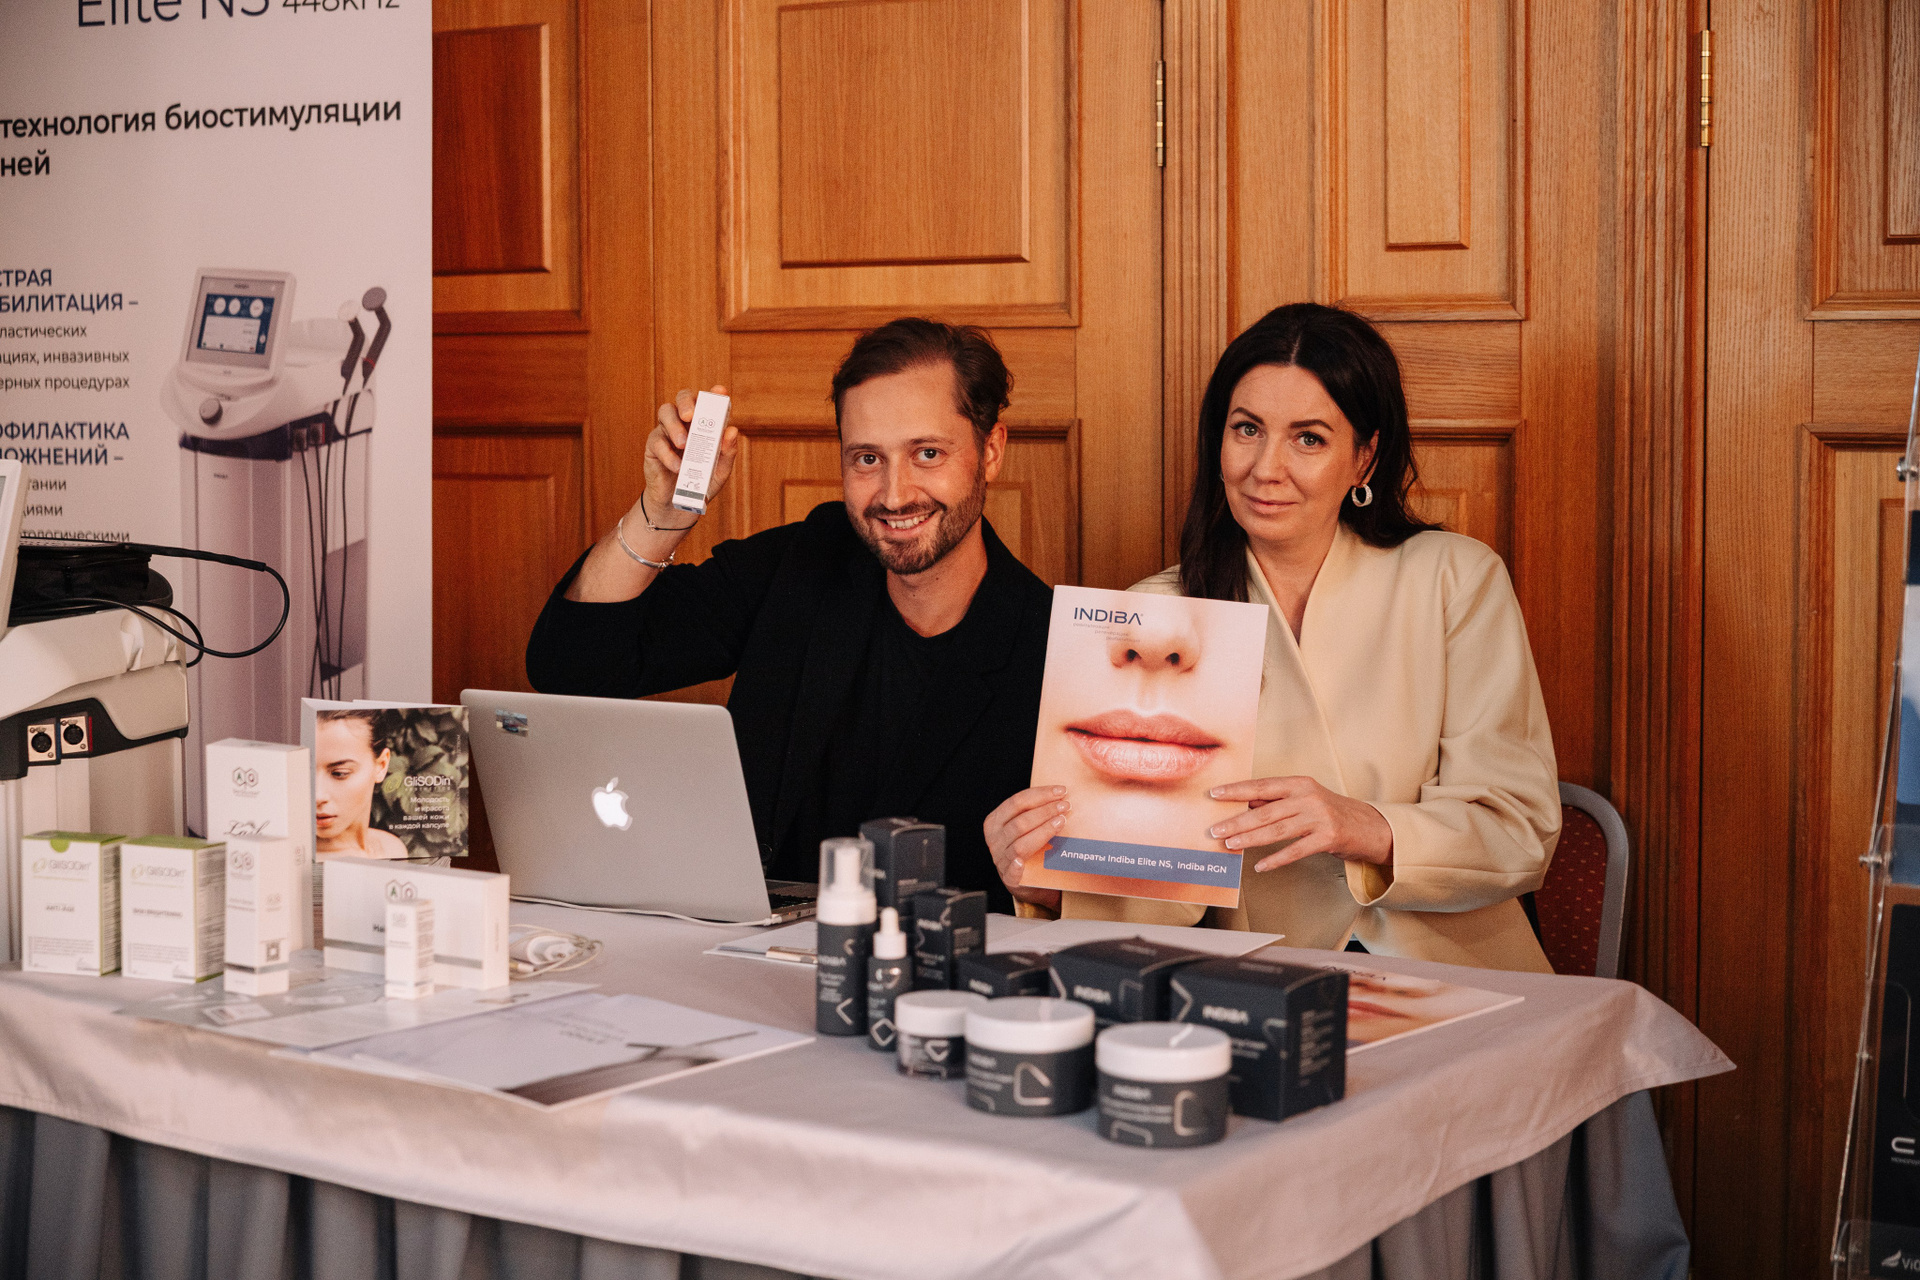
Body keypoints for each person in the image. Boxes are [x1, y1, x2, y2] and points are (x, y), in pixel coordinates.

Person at [985, 303, 1561, 972]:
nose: (1266, 467)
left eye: (1308, 438)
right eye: (1247, 429)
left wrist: (1366, 827)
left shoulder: (1455, 578)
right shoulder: (1157, 616)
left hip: (1457, 971)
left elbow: (1519, 827)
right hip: (1267, 981)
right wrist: (1051, 887)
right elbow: (1155, 883)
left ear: (1364, 458)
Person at [525, 319, 1053, 912]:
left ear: (990, 451)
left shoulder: (1050, 648)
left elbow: (1075, 885)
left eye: (927, 453)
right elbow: (572, 663)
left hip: (930, 964)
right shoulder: (804, 562)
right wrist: (665, 511)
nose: (894, 494)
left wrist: (1045, 888)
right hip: (745, 948)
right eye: (867, 459)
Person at [314, 709, 409, 860]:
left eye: (340, 773)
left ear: (381, 765)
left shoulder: (392, 848)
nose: (318, 796)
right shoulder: (297, 862)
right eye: (306, 771)